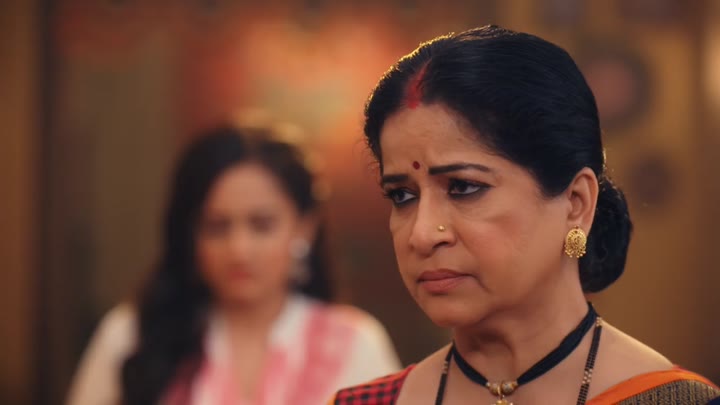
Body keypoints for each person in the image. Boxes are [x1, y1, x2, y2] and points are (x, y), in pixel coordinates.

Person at [330, 25, 719, 405]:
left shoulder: (671, 401)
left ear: (576, 203)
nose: (422, 234)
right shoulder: (366, 403)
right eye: (402, 195)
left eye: (463, 187)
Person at [66, 125, 401, 405]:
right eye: (217, 226)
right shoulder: (133, 335)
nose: (239, 250)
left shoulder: (354, 344)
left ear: (305, 227)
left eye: (261, 225)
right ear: (190, 233)